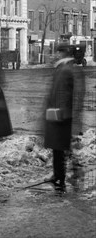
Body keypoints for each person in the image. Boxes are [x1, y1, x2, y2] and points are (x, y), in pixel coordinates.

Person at [44, 50, 85, 193]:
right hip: (61, 113)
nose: (54, 55)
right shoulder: (64, 69)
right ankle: (63, 175)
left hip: (60, 115)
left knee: (60, 147)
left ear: (62, 55)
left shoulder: (64, 70)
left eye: (57, 52)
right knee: (60, 148)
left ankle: (62, 177)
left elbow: (63, 93)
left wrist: (59, 111)